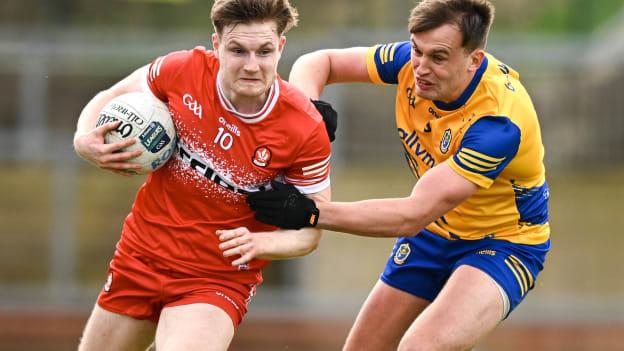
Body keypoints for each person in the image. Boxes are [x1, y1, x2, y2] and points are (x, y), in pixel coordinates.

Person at [220, 0, 551, 350]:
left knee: (420, 347)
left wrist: (310, 212)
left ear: (474, 60)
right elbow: (318, 62)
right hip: (434, 233)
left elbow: (412, 215)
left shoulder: (497, 125)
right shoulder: (409, 63)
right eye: (416, 51)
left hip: (503, 245)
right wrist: (308, 112)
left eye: (438, 58)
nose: (421, 67)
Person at [72, 0, 334, 350]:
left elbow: (311, 231)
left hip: (217, 277)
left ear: (281, 47)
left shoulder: (303, 127)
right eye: (238, 50)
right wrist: (83, 139)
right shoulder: (183, 70)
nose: (252, 66)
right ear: (216, 44)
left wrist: (262, 243)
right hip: (142, 254)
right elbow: (110, 96)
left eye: (264, 51)